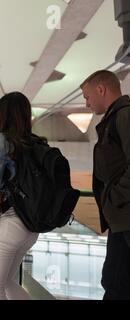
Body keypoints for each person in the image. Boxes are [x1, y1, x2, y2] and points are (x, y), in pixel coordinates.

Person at [0, 92, 41, 300]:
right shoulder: (36, 143)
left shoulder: (2, 140)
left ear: (1, 114)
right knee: (5, 284)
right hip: (30, 226)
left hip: (8, 223)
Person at [80, 70, 130, 299]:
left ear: (101, 89)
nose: (86, 102)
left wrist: (113, 198)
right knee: (114, 280)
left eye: (87, 96)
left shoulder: (124, 116)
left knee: (115, 282)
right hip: (120, 217)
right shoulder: (115, 117)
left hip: (124, 214)